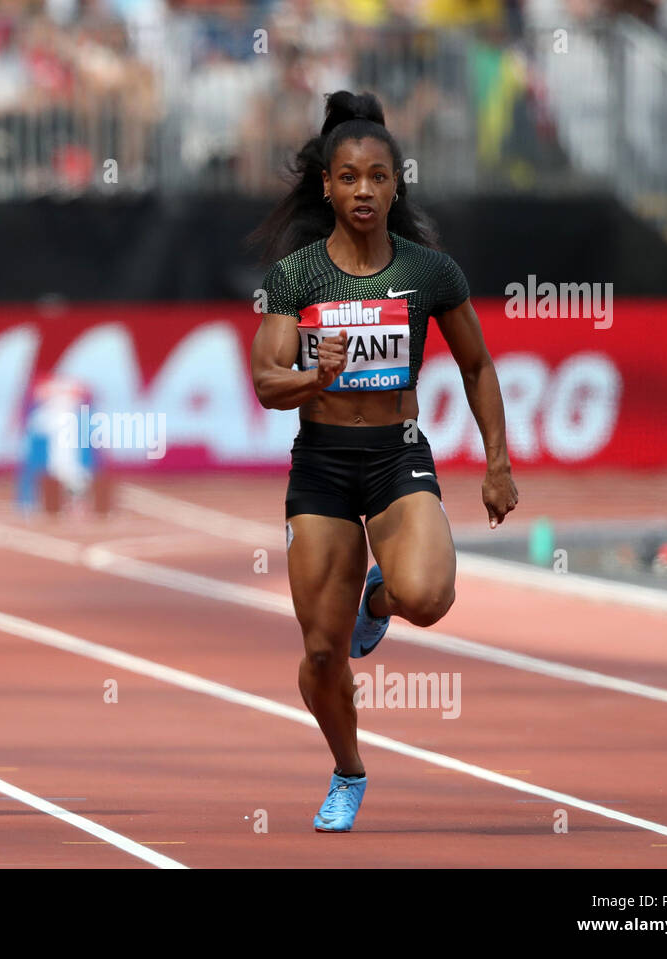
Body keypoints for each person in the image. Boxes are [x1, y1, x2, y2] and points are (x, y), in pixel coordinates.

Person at [248, 91, 518, 832]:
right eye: (348, 176)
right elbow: (267, 381)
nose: (363, 189)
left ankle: (380, 599)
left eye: (377, 176)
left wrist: (496, 462)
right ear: (327, 186)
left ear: (397, 184)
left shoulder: (431, 272)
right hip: (323, 467)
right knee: (322, 653)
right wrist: (314, 377)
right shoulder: (295, 276)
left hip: (398, 457)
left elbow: (477, 365)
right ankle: (347, 769)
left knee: (428, 596)